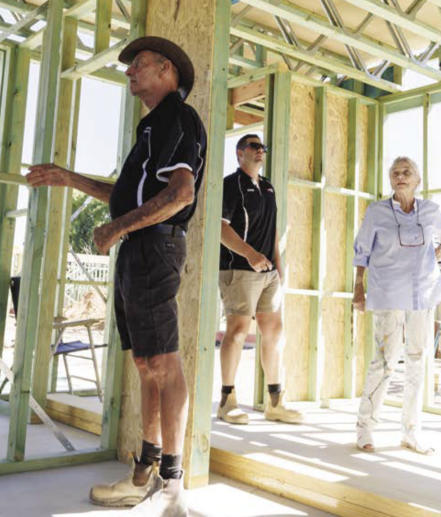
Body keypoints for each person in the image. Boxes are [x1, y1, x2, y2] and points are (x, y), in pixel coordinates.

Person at [27, 36, 206, 517]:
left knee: (164, 366)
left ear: (167, 69)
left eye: (139, 65)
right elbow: (126, 195)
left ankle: (172, 489)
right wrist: (70, 178)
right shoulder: (153, 127)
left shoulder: (176, 117)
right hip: (140, 248)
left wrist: (118, 228)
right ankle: (143, 475)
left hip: (153, 246)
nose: (129, 72)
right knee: (148, 365)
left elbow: (181, 195)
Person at [352, 156, 441, 456]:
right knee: (384, 361)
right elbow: (362, 251)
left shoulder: (431, 210)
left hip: (422, 294)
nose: (400, 176)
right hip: (387, 293)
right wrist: (358, 287)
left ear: (417, 180)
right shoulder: (377, 211)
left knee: (417, 361)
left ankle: (411, 432)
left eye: (406, 172)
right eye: (395, 172)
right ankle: (365, 427)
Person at [215, 134, 302, 425]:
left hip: (269, 274)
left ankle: (275, 402)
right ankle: (227, 402)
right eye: (254, 146)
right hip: (238, 269)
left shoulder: (268, 187)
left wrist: (279, 266)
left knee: (274, 332)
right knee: (238, 331)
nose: (260, 150)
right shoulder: (230, 184)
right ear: (240, 153)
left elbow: (273, 231)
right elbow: (220, 229)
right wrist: (250, 255)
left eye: (262, 146)